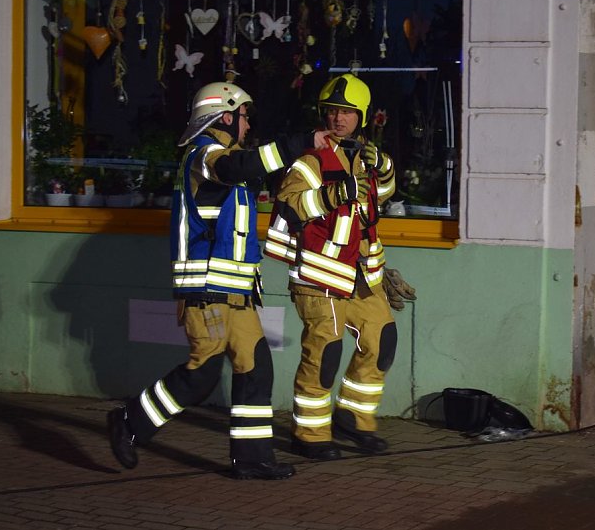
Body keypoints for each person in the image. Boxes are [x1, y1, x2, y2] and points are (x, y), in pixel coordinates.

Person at [106, 81, 329, 480]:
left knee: (256, 368)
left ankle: (252, 459)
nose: (247, 126)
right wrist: (299, 141)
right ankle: (129, 422)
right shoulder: (204, 155)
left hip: (235, 293)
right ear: (225, 116)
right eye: (244, 117)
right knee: (202, 375)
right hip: (206, 291)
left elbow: (245, 179)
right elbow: (235, 168)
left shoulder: (228, 162)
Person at [263, 74, 397, 461]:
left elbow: (380, 197)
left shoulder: (366, 155)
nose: (339, 119)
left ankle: (354, 418)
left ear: (362, 118)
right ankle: (308, 432)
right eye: (333, 111)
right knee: (325, 351)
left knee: (381, 337)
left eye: (348, 112)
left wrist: (384, 169)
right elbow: (289, 206)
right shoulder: (310, 157)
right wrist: (333, 194)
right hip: (318, 275)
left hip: (360, 274)